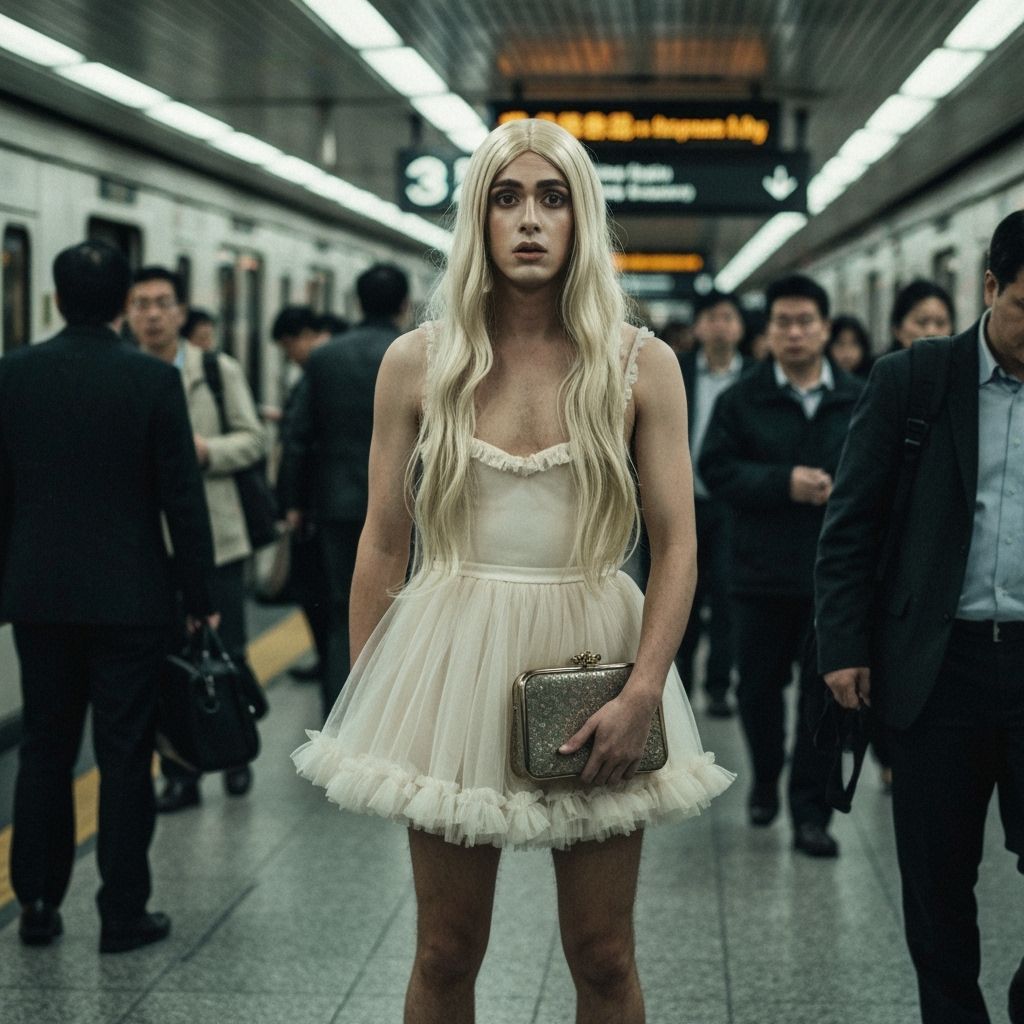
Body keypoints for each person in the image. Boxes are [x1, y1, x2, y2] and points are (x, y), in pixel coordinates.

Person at [291, 118, 734, 1023]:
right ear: (478, 220)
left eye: (552, 197)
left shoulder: (641, 365)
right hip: (449, 650)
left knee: (604, 955)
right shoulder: (418, 361)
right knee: (447, 952)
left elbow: (678, 541)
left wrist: (647, 689)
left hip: (597, 653)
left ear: (581, 219)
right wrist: (377, 706)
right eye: (506, 198)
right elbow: (383, 542)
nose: (529, 219)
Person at [815, 210, 1024, 1024]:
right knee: (939, 879)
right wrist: (843, 647)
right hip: (940, 666)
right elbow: (852, 523)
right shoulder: (917, 379)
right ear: (990, 288)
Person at [0, 241, 216, 952]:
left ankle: (35, 903)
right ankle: (122, 913)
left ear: (57, 300)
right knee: (124, 755)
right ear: (126, 302)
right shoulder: (151, 381)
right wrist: (200, 592)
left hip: (38, 598)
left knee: (43, 749)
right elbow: (183, 499)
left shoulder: (12, 376)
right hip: (132, 597)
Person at [699, 273, 863, 858]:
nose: (794, 333)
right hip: (758, 573)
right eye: (783, 322)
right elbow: (714, 471)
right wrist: (782, 483)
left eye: (805, 322)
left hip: (831, 580)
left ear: (825, 327)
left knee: (823, 698)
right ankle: (767, 774)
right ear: (767, 331)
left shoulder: (858, 397)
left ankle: (810, 813)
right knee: (758, 692)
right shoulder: (742, 398)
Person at [129, 266, 266, 812]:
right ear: (127, 312)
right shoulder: (125, 372)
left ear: (182, 313)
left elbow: (253, 440)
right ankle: (180, 773)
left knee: (224, 650)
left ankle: (233, 752)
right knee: (168, 663)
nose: (153, 314)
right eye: (141, 304)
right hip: (148, 544)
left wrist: (207, 452)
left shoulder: (215, 369)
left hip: (216, 538)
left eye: (163, 303)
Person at [279, 264, 410, 718]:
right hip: (407, 504)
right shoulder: (415, 354)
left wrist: (293, 502)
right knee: (405, 608)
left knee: (341, 609)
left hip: (337, 502)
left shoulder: (325, 357)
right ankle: (395, 710)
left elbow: (299, 437)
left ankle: (341, 710)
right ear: (402, 305)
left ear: (357, 303)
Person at [676, 289, 750, 717]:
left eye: (729, 316)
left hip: (730, 507)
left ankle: (718, 686)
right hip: (678, 503)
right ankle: (676, 683)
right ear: (698, 326)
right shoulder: (678, 371)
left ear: (739, 327)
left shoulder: (754, 379)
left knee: (725, 596)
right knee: (676, 594)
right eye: (712, 317)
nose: (720, 325)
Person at [270, 305, 334, 682]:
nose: (289, 356)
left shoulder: (318, 369)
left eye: (287, 346)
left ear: (302, 336)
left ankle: (330, 666)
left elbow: (298, 442)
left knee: (315, 590)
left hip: (315, 505)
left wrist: (290, 503)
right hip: (335, 501)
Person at [889, 279, 955, 351]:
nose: (931, 332)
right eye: (921, 322)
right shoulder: (882, 362)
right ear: (897, 329)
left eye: (940, 323)